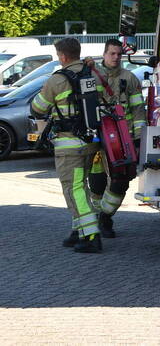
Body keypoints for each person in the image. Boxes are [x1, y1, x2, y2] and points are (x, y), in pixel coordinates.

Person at [29, 38, 103, 253]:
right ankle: (78, 232)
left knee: (74, 189)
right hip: (92, 143)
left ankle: (91, 236)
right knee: (80, 187)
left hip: (69, 146)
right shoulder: (93, 73)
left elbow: (38, 109)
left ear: (62, 56)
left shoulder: (57, 79)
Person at [87, 38, 145, 238]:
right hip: (97, 139)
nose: (116, 57)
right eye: (111, 53)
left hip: (123, 139)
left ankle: (105, 216)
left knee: (121, 180)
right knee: (96, 182)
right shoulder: (91, 75)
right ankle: (98, 218)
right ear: (104, 54)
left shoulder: (129, 78)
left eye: (119, 54)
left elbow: (138, 110)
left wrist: (138, 139)